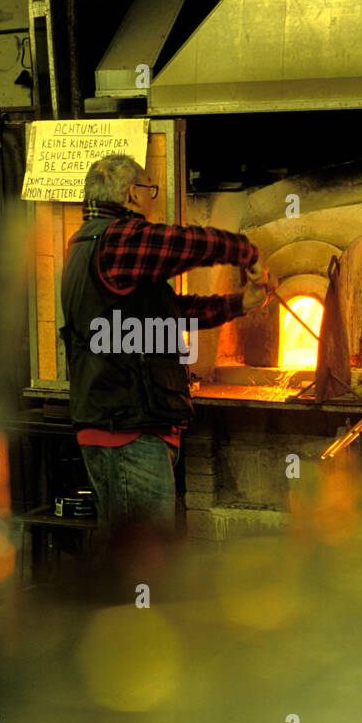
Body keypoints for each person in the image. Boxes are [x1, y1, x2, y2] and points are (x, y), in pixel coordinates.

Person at [60, 153, 271, 555]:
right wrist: (245, 251)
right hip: (125, 430)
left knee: (132, 562)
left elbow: (173, 313)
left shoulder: (91, 246)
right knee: (142, 565)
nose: (152, 200)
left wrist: (239, 303)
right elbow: (182, 244)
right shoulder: (116, 241)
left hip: (123, 425)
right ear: (130, 194)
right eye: (149, 190)